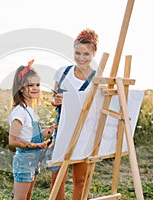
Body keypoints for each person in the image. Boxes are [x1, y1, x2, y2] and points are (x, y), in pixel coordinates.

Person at [50, 28, 99, 200]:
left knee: (80, 179)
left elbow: (99, 106)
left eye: (86, 54)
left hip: (85, 132)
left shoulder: (97, 78)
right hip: (63, 130)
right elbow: (53, 98)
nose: (81, 58)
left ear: (93, 53)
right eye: (77, 53)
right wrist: (54, 100)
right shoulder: (63, 72)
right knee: (57, 177)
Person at [9, 59, 57, 200]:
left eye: (37, 84)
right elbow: (13, 140)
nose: (35, 88)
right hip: (24, 160)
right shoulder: (19, 111)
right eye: (30, 85)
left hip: (34, 160)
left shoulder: (30, 110)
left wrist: (48, 131)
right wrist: (38, 145)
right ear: (21, 88)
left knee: (28, 197)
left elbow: (30, 135)